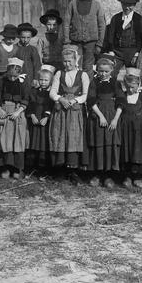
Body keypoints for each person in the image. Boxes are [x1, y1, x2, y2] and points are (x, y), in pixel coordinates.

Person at [48, 45, 89, 182]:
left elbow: (85, 95)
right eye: (65, 61)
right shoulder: (59, 74)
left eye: (70, 61)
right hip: (61, 111)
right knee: (59, 136)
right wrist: (60, 99)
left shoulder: (83, 75)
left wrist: (73, 101)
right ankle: (59, 171)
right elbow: (52, 92)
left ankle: (73, 171)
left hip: (75, 111)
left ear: (76, 60)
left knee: (73, 137)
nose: (67, 64)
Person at [86, 54, 125, 187]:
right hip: (98, 115)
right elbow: (91, 100)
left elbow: (121, 101)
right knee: (98, 143)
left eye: (106, 71)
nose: (103, 74)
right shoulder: (94, 82)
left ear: (111, 71)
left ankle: (109, 176)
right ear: (97, 70)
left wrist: (115, 119)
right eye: (101, 71)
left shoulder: (115, 82)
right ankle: (97, 175)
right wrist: (100, 116)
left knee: (110, 143)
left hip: (112, 115)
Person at [0, 57, 30, 179]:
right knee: (4, 141)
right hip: (4, 112)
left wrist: (18, 111)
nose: (12, 79)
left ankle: (16, 169)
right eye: (10, 76)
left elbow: (26, 99)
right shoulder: (1, 81)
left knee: (16, 141)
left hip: (17, 113)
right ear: (7, 72)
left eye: (15, 77)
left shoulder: (23, 83)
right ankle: (5, 167)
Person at [118, 68, 142, 189]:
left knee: (137, 150)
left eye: (133, 87)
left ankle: (137, 177)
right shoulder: (122, 96)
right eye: (128, 87)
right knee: (126, 150)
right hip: (125, 127)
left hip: (138, 127)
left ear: (138, 84)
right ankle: (127, 177)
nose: (130, 89)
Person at [63, 0, 106, 78]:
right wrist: (66, 41)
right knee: (74, 65)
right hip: (75, 42)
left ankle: (87, 91)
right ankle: (74, 88)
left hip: (91, 43)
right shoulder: (72, 4)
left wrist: (99, 44)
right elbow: (66, 23)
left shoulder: (97, 6)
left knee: (88, 67)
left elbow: (102, 25)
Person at [103, 0, 142, 78]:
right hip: (117, 52)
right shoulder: (116, 18)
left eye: (130, 5)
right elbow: (111, 35)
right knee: (111, 74)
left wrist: (137, 53)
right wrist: (111, 50)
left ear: (134, 5)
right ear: (121, 4)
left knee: (132, 76)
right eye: (124, 4)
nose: (127, 7)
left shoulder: (138, 19)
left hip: (133, 53)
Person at [25, 65, 55, 175]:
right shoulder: (34, 91)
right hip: (35, 119)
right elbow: (30, 104)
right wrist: (32, 115)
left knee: (43, 144)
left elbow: (51, 106)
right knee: (33, 143)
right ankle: (30, 168)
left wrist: (46, 117)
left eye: (46, 80)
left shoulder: (52, 93)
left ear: (51, 81)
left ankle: (43, 170)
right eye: (41, 79)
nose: (43, 82)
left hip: (45, 121)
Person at [16, 22, 41, 89]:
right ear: (18, 36)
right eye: (23, 37)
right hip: (16, 75)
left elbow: (37, 65)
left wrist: (35, 78)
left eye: (28, 37)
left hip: (29, 77)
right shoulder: (15, 48)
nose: (25, 40)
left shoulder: (33, 49)